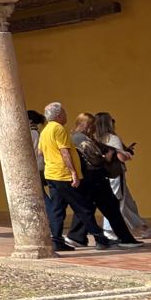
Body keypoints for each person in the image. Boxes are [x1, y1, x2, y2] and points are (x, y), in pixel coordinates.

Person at [39, 102, 115, 252]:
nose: (67, 116)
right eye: (65, 113)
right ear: (59, 115)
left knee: (57, 209)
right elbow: (65, 152)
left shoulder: (45, 131)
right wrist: (73, 172)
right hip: (63, 174)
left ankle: (56, 240)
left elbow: (40, 152)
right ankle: (100, 238)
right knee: (83, 207)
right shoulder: (59, 129)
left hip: (51, 174)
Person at [67, 112, 143, 249]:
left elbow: (101, 147)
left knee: (86, 208)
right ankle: (125, 239)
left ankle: (76, 237)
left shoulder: (77, 137)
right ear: (88, 125)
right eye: (93, 126)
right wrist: (106, 158)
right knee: (111, 207)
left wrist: (113, 150)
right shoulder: (80, 138)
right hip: (94, 178)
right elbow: (95, 158)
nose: (95, 129)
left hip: (88, 178)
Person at [96, 112, 147, 239]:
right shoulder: (113, 138)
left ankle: (139, 226)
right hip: (116, 173)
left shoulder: (95, 138)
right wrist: (127, 154)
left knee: (128, 202)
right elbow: (121, 158)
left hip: (103, 172)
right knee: (117, 201)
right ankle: (109, 230)